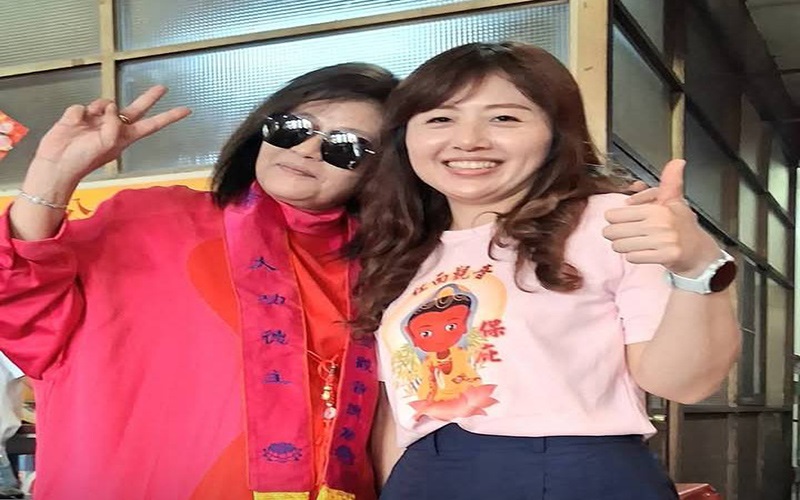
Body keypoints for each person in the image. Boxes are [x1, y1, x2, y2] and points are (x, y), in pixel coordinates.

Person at [352, 42, 741, 499]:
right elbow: (397, 413)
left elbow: (682, 383)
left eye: (504, 117)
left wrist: (698, 267)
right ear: (404, 137)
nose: (468, 140)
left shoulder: (609, 220)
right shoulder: (404, 251)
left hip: (570, 474)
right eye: (440, 119)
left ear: (556, 132)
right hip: (424, 473)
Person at [0, 63, 398, 499]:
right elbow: (19, 302)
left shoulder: (388, 269)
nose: (307, 149)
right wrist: (53, 176)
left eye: (346, 147)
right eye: (292, 127)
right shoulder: (149, 219)